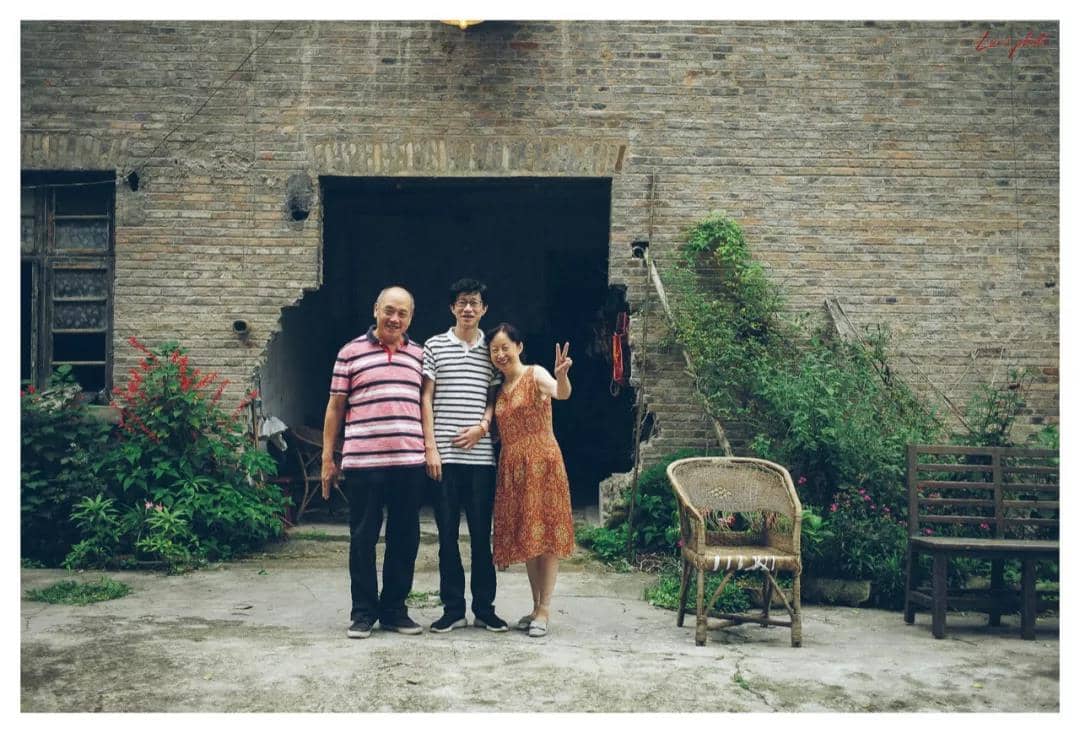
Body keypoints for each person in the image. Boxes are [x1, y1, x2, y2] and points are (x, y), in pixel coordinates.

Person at [321, 286, 426, 639]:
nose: (395, 319)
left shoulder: (420, 356)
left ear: (410, 318)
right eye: (389, 310)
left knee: (405, 538)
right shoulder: (350, 353)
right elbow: (335, 407)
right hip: (363, 463)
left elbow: (428, 405)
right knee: (363, 538)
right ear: (376, 310)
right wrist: (328, 457)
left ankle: (395, 611)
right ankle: (363, 613)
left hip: (409, 461)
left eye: (403, 313)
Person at [421, 278, 508, 633]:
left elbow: (493, 398)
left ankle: (484, 609)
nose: (468, 308)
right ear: (452, 308)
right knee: (446, 537)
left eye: (474, 302)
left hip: (481, 459)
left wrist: (482, 427)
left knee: (481, 536)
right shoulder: (434, 346)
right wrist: (430, 447)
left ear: (484, 309)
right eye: (462, 302)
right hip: (443, 456)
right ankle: (453, 609)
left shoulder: (492, 348)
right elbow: (426, 397)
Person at [487, 323, 574, 638]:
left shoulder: (535, 374)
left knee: (546, 536)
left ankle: (545, 609)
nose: (500, 354)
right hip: (513, 467)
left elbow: (561, 394)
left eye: (505, 347)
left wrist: (561, 375)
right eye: (494, 349)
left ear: (519, 347)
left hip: (542, 463)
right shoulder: (498, 389)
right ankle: (535, 606)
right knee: (528, 537)